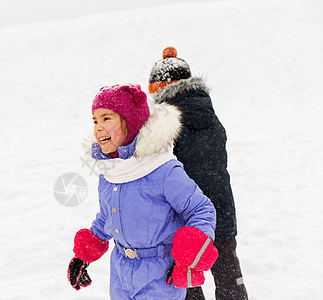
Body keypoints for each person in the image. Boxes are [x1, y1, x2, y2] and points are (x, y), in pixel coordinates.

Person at [67, 83, 219, 299]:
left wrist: (187, 255)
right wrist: (84, 256)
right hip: (121, 273)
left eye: (107, 118)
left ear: (130, 122)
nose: (98, 127)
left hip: (159, 276)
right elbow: (107, 216)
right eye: (95, 120)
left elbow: (201, 210)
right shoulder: (111, 172)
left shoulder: (164, 170)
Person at [148, 47, 249, 300]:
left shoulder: (167, 122)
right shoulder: (208, 113)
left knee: (187, 282)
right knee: (229, 277)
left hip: (188, 215)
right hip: (221, 210)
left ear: (162, 89)